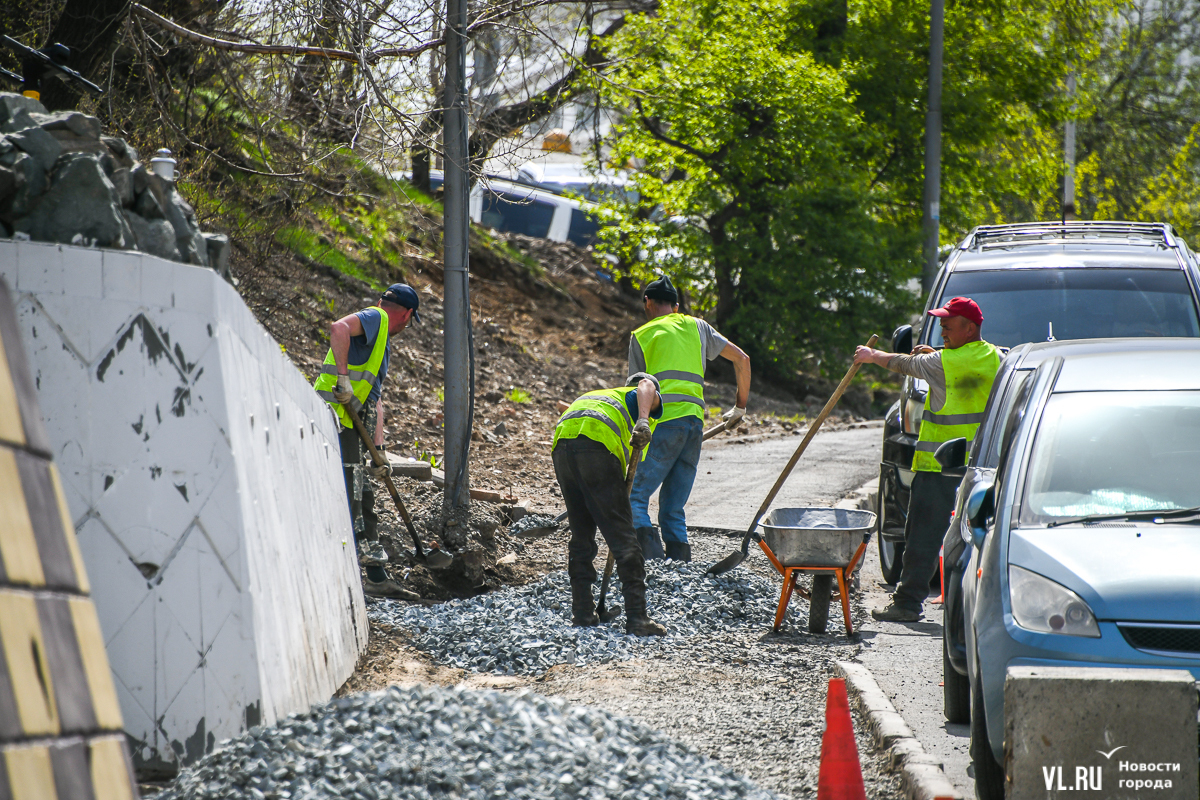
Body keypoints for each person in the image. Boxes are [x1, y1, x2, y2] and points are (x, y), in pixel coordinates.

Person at [854, 297, 1001, 622]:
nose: (943, 328)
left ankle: (907, 603)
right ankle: (977, 608)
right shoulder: (997, 357)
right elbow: (952, 358)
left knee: (923, 533)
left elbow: (902, 365)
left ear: (970, 327)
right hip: (982, 468)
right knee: (978, 535)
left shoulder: (941, 364)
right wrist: (933, 351)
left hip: (939, 466)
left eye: (949, 324)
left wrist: (871, 355)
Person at [627, 275, 751, 562]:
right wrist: (739, 407)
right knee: (672, 507)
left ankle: (655, 566)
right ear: (676, 306)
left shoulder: (642, 335)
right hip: (694, 424)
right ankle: (681, 570)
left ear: (647, 302)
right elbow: (742, 359)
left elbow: (636, 393)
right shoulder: (698, 326)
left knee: (634, 497)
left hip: (662, 424)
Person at [314, 283, 422, 600]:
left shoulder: (381, 340)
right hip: (338, 418)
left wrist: (381, 452)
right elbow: (338, 328)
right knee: (349, 497)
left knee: (364, 495)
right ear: (408, 314)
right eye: (409, 322)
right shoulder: (377, 318)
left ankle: (376, 576)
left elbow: (374, 399)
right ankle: (334, 578)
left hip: (356, 422)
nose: (405, 327)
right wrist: (343, 379)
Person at [553, 373, 667, 636]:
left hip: (563, 446)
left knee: (581, 536)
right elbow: (646, 385)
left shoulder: (604, 398)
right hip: (596, 445)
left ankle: (583, 613)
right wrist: (643, 420)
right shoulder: (635, 396)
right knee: (624, 538)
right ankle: (638, 619)